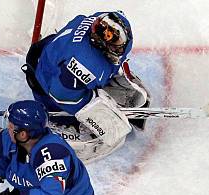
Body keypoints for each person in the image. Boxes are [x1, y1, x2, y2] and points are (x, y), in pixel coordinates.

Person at [22, 11, 151, 162]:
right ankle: (64, 123)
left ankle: (99, 85)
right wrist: (93, 106)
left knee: (94, 73)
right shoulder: (82, 64)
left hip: (52, 54)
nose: (109, 34)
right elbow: (61, 95)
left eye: (113, 36)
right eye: (107, 36)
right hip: (48, 80)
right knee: (77, 106)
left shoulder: (102, 20)